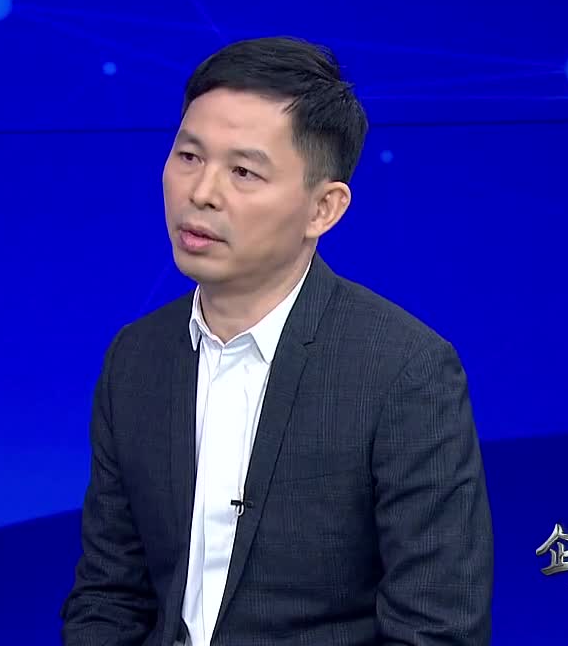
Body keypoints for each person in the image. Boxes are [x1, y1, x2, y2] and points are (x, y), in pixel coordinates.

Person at [61, 36, 493, 646]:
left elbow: (437, 627)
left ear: (324, 209)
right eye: (189, 156)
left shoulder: (403, 370)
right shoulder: (137, 358)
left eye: (243, 171)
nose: (202, 192)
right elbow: (109, 596)